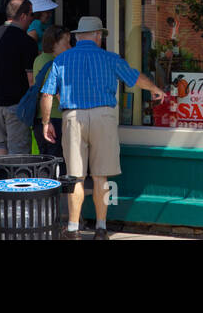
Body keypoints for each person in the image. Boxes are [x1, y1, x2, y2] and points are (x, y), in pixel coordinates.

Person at [41, 15, 165, 239]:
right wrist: (155, 89)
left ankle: (72, 229)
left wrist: (46, 121)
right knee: (100, 177)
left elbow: (47, 94)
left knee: (75, 177)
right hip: (103, 117)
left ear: (78, 37)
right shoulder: (110, 58)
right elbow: (135, 78)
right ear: (98, 36)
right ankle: (100, 228)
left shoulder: (61, 60)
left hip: (73, 117)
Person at [0, 0, 38, 156]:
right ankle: (15, 181)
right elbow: (31, 79)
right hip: (16, 105)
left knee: (0, 145)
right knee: (18, 152)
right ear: (23, 16)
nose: (31, 19)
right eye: (31, 15)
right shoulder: (27, 42)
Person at [16, 25, 70, 158]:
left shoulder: (38, 60)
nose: (70, 47)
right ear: (54, 43)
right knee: (58, 162)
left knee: (45, 160)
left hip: (38, 118)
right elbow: (58, 94)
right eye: (66, 43)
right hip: (55, 119)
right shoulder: (56, 63)